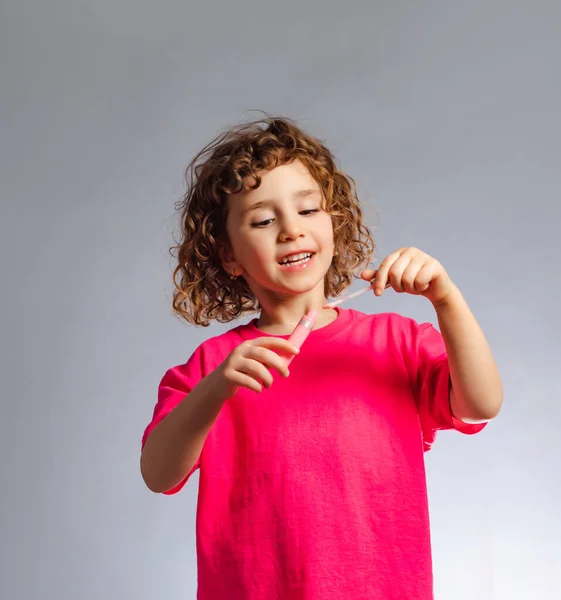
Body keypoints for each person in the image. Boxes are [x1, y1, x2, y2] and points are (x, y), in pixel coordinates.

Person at [140, 116, 503, 599]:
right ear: (229, 255)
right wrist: (215, 390)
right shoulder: (215, 367)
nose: (291, 230)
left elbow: (481, 403)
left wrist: (447, 300)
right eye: (264, 220)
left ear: (333, 223)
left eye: (308, 210)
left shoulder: (397, 342)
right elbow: (158, 474)